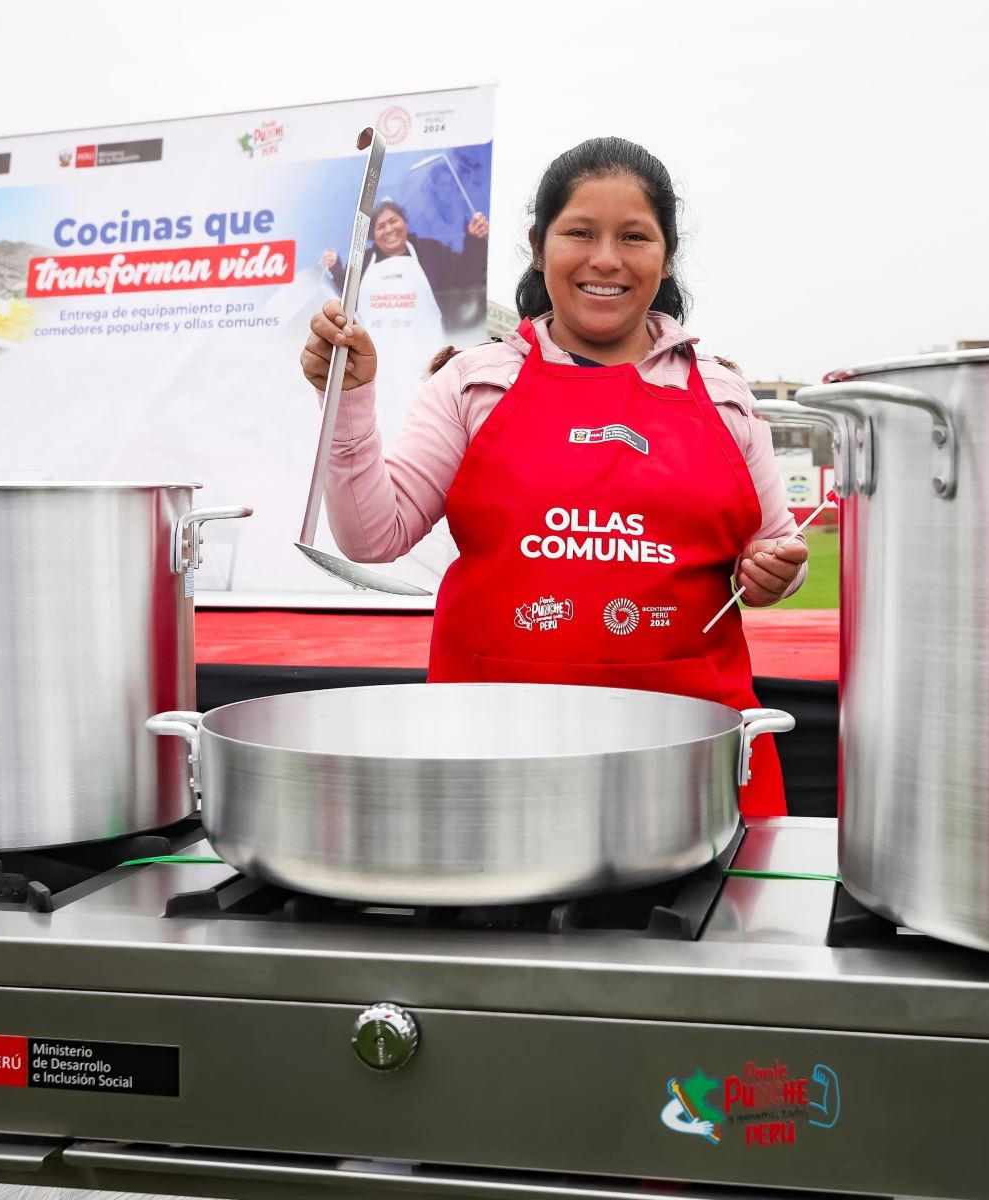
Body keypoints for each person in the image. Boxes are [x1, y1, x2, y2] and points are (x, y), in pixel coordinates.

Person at [301, 138, 808, 815]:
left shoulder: (722, 395)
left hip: (690, 767)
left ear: (665, 256)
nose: (606, 259)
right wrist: (350, 402)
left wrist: (775, 572)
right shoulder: (474, 381)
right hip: (490, 758)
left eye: (634, 236)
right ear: (540, 247)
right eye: (580, 233)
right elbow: (371, 537)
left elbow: (777, 555)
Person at [321, 199, 489, 386]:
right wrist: (335, 266)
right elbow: (346, 293)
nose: (389, 229)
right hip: (376, 367)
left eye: (393, 221)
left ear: (405, 223)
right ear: (373, 235)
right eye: (381, 226)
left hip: (429, 364)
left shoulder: (431, 250)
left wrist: (474, 240)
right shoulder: (364, 261)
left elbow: (465, 276)